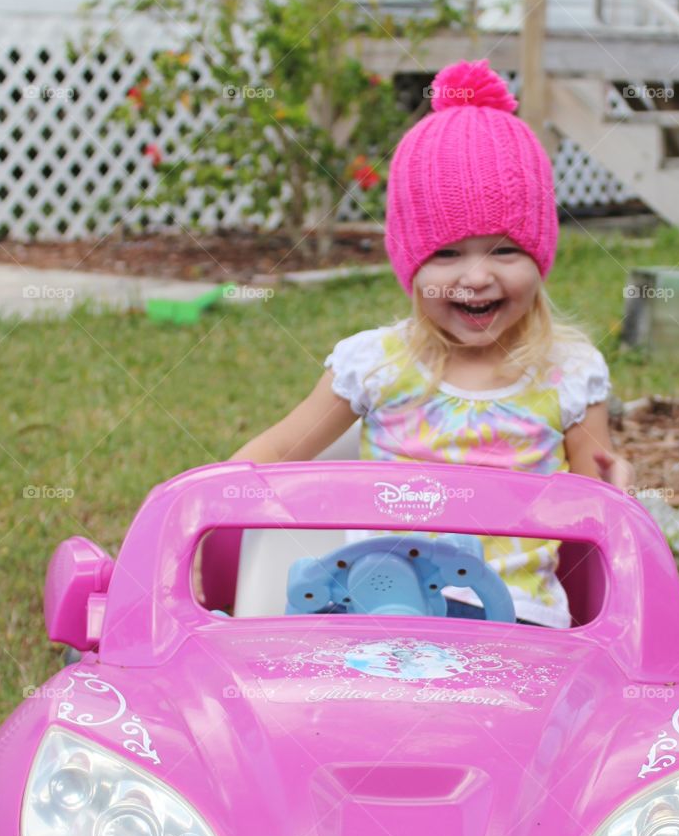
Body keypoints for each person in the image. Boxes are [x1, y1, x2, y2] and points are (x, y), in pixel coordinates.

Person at [225, 58, 632, 626]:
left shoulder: (568, 373)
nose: (475, 277)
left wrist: (618, 492)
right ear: (410, 264)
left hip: (519, 627)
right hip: (375, 613)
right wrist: (196, 512)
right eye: (446, 253)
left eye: (505, 250)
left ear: (540, 258)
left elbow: (598, 516)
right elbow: (269, 458)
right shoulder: (376, 367)